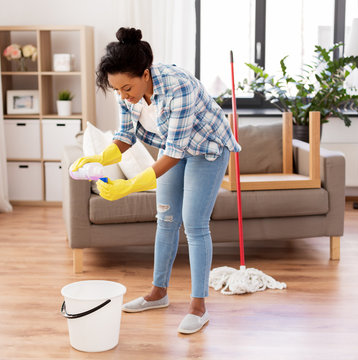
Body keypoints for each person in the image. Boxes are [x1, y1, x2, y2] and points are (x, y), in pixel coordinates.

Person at [70, 27, 241, 334]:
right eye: (117, 90)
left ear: (145, 74)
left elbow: (174, 153)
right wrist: (99, 158)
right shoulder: (127, 91)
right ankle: (158, 293)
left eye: (126, 88)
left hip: (208, 148)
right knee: (166, 218)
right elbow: (125, 136)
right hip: (173, 149)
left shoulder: (179, 86)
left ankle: (198, 307)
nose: (123, 95)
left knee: (194, 223)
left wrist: (130, 186)